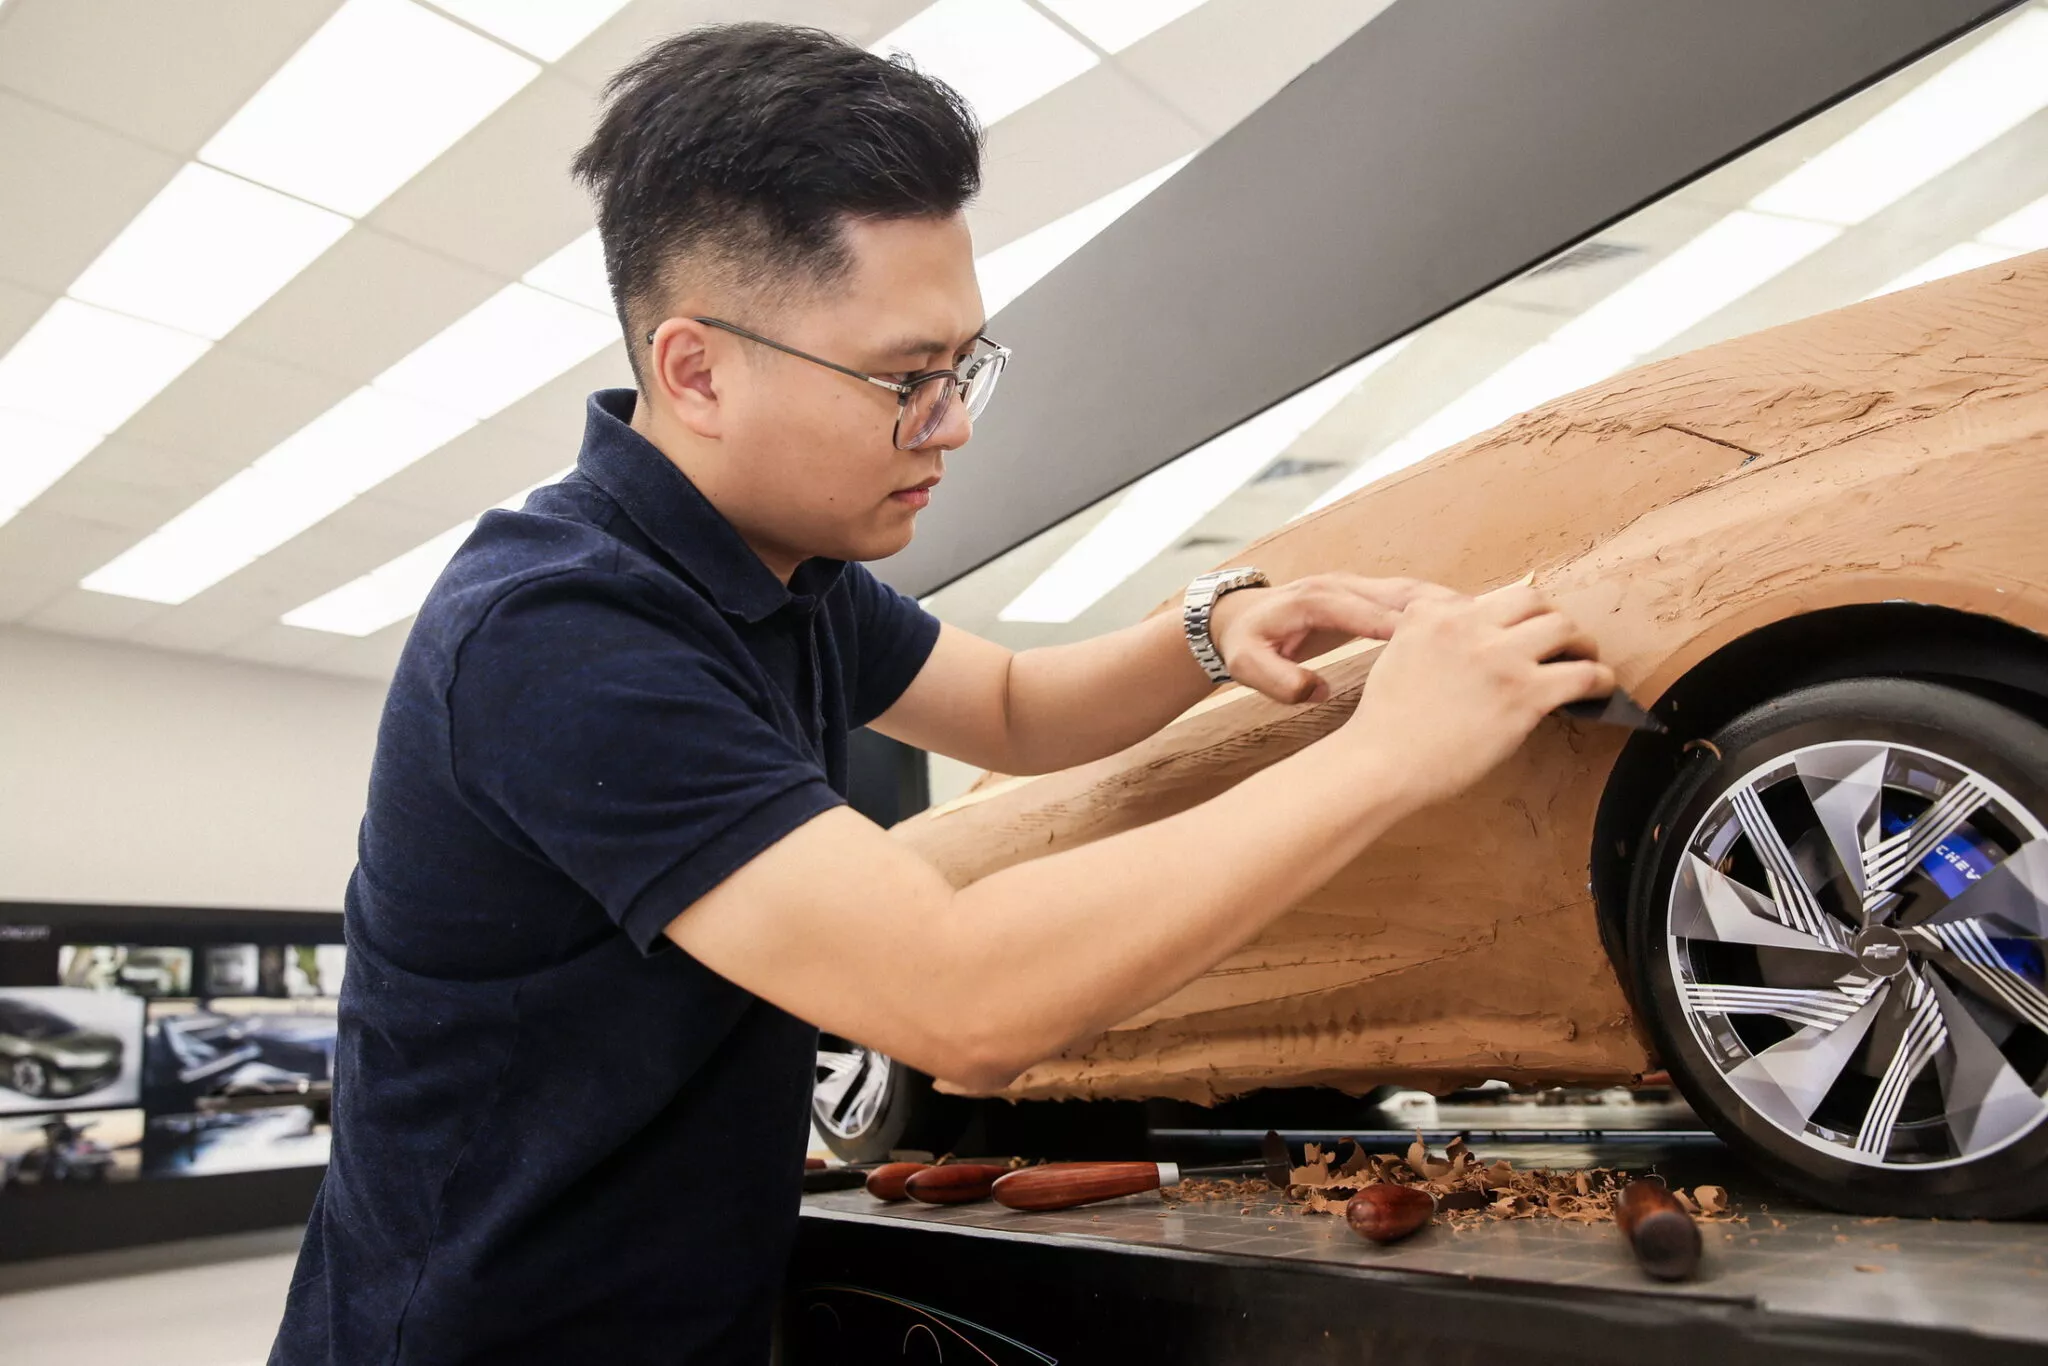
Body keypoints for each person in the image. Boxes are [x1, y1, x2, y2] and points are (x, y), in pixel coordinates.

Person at [269, 22, 1613, 1365]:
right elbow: (960, 1000)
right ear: (697, 371)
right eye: (906, 380)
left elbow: (1016, 706)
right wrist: (1389, 751)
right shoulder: (561, 631)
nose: (953, 423)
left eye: (963, 369)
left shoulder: (784, 573)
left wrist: (1212, 627)